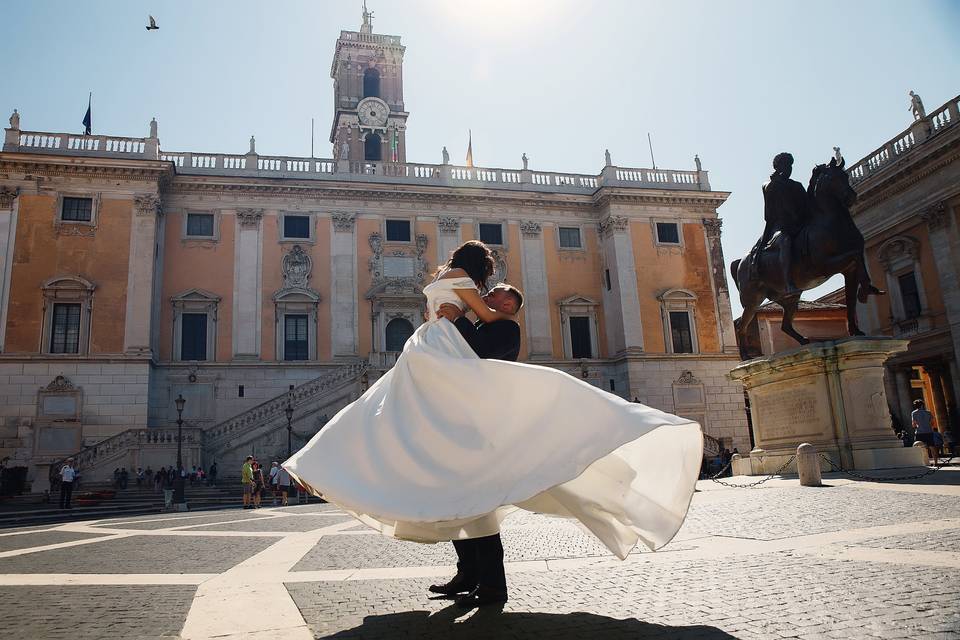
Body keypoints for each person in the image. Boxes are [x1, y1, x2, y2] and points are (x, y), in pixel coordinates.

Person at [284, 240, 702, 608]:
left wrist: (459, 314)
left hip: (446, 379)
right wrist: (471, 312)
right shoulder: (468, 293)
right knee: (438, 460)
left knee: (395, 426)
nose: (494, 294)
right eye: (494, 285)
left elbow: (485, 341)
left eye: (504, 297)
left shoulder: (480, 307)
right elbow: (479, 314)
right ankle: (474, 577)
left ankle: (483, 581)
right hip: (446, 372)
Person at [428, 282, 523, 605]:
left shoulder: (508, 329)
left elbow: (480, 352)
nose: (487, 296)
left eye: (495, 294)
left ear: (508, 305)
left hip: (484, 428)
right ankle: (468, 573)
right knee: (459, 505)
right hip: (468, 421)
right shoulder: (487, 325)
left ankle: (494, 586)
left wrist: (459, 318)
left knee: (480, 509)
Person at [748, 152, 809, 296]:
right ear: (778, 167)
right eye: (786, 165)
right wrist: (776, 181)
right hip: (779, 227)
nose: (789, 168)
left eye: (790, 165)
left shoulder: (797, 186)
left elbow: (807, 206)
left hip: (798, 225)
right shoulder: (769, 185)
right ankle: (788, 283)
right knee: (785, 241)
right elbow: (769, 212)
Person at [912, 399, 937, 464]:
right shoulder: (928, 412)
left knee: (919, 447)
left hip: (919, 432)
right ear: (922, 405)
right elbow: (932, 423)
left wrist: (917, 426)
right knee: (932, 447)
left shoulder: (914, 413)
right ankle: (936, 463)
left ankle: (923, 462)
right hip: (929, 431)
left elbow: (914, 424)